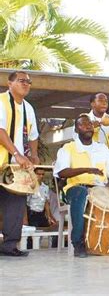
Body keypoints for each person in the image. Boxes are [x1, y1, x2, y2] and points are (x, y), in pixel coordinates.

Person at [54, 114, 109, 257]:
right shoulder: (68, 148)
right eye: (82, 124)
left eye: (89, 124)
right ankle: (78, 243)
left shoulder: (102, 148)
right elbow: (62, 172)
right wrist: (87, 169)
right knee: (81, 193)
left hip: (102, 187)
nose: (88, 126)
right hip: (76, 188)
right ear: (76, 130)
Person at [0, 71, 39, 257]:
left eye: (29, 82)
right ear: (10, 83)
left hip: (16, 168)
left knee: (15, 205)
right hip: (3, 161)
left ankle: (9, 246)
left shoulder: (28, 108)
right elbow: (0, 131)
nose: (26, 84)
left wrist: (34, 156)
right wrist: (17, 154)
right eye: (22, 80)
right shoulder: (0, 101)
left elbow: (33, 136)